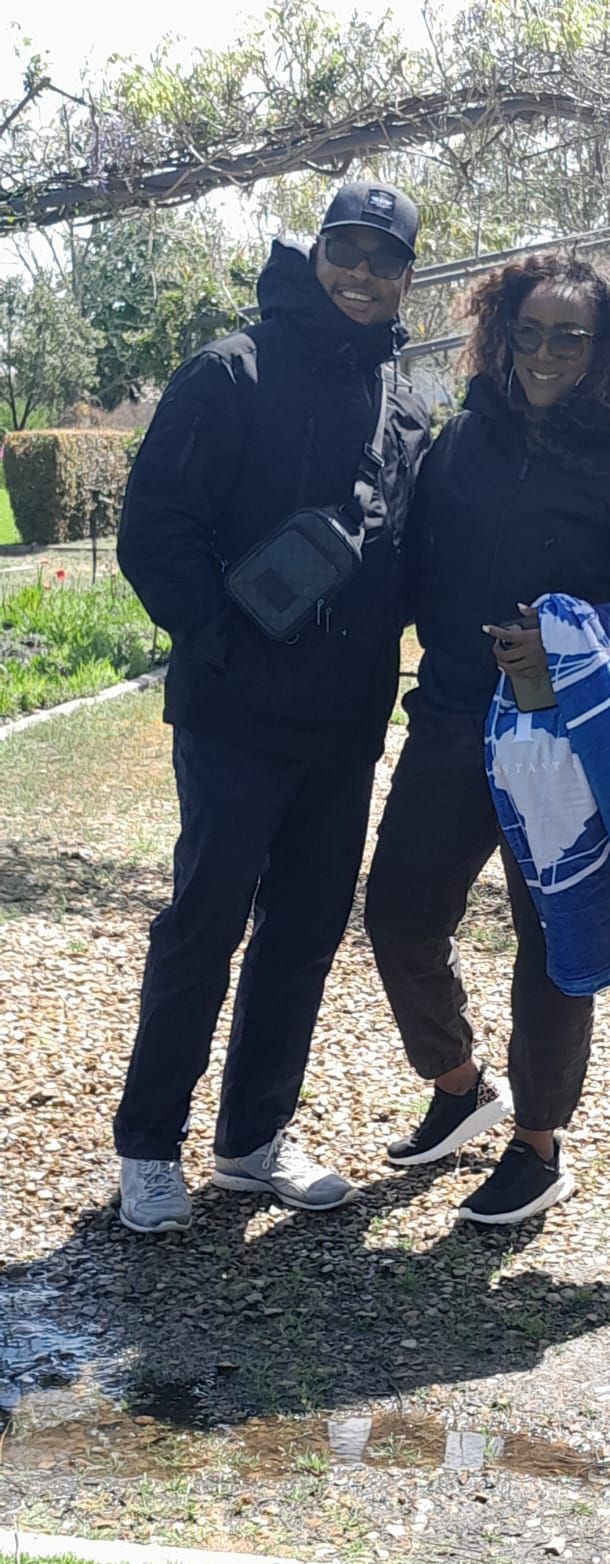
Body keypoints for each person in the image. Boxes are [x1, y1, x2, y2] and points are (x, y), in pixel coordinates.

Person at [365, 251, 610, 1225]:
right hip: (450, 715)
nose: (548, 352)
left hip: (559, 741)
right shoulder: (461, 439)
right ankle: (459, 1084)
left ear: (602, 350)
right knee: (398, 914)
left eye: (571, 337)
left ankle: (538, 1144)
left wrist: (568, 654)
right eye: (531, 332)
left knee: (551, 940)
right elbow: (412, 567)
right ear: (502, 333)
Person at [114, 181, 430, 1234]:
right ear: (314, 254)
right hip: (236, 720)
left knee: (301, 935)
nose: (361, 274)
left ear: (406, 279)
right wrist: (224, 643)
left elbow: (411, 559)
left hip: (343, 728)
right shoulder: (229, 371)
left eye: (384, 260)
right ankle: (147, 1144)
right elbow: (157, 528)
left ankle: (252, 1140)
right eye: (347, 250)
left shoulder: (406, 406)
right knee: (203, 927)